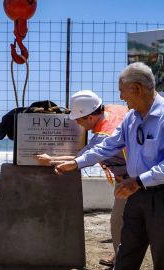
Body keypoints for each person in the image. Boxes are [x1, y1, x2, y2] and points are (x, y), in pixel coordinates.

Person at [55, 62, 164, 270]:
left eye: (122, 91)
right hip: (137, 195)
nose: (121, 97)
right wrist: (76, 163)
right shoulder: (131, 118)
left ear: (137, 88)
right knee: (126, 254)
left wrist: (139, 181)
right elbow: (108, 146)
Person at [36, 90, 128, 267]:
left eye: (79, 118)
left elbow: (79, 160)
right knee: (122, 222)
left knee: (118, 221)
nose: (76, 122)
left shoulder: (103, 136)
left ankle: (121, 261)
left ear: (91, 117)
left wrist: (51, 160)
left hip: (130, 180)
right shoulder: (113, 110)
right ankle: (120, 256)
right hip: (131, 175)